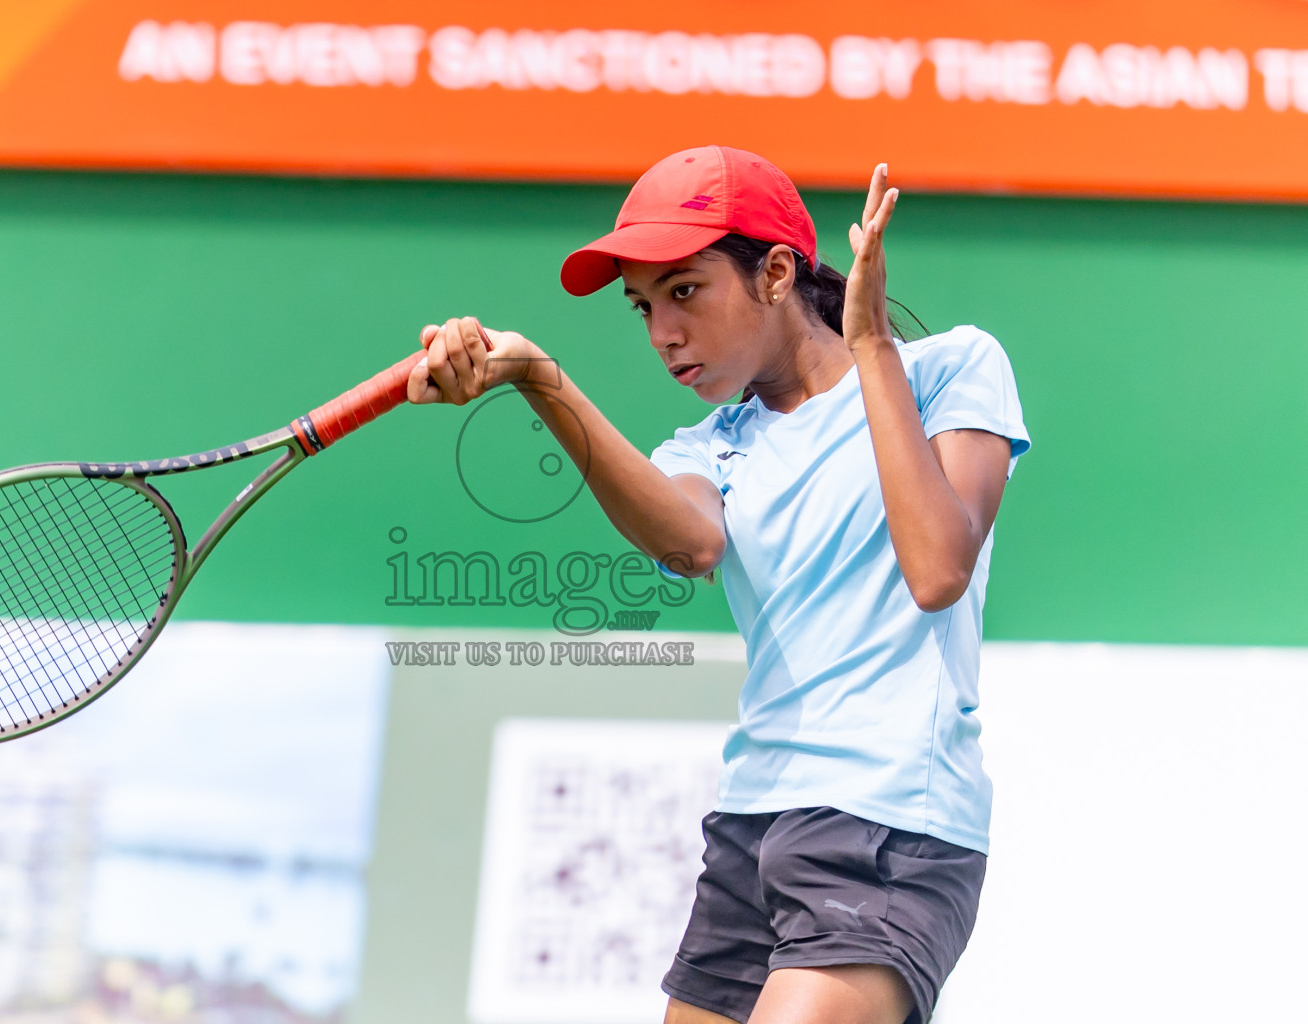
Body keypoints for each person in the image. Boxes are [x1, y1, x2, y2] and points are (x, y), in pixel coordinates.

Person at [408, 145, 1031, 1024]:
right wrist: (538, 380)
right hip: (750, 827)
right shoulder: (705, 449)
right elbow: (694, 545)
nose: (663, 330)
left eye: (685, 290)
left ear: (776, 272)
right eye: (644, 305)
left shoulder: (951, 368)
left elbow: (936, 570)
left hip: (890, 825)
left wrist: (872, 346)